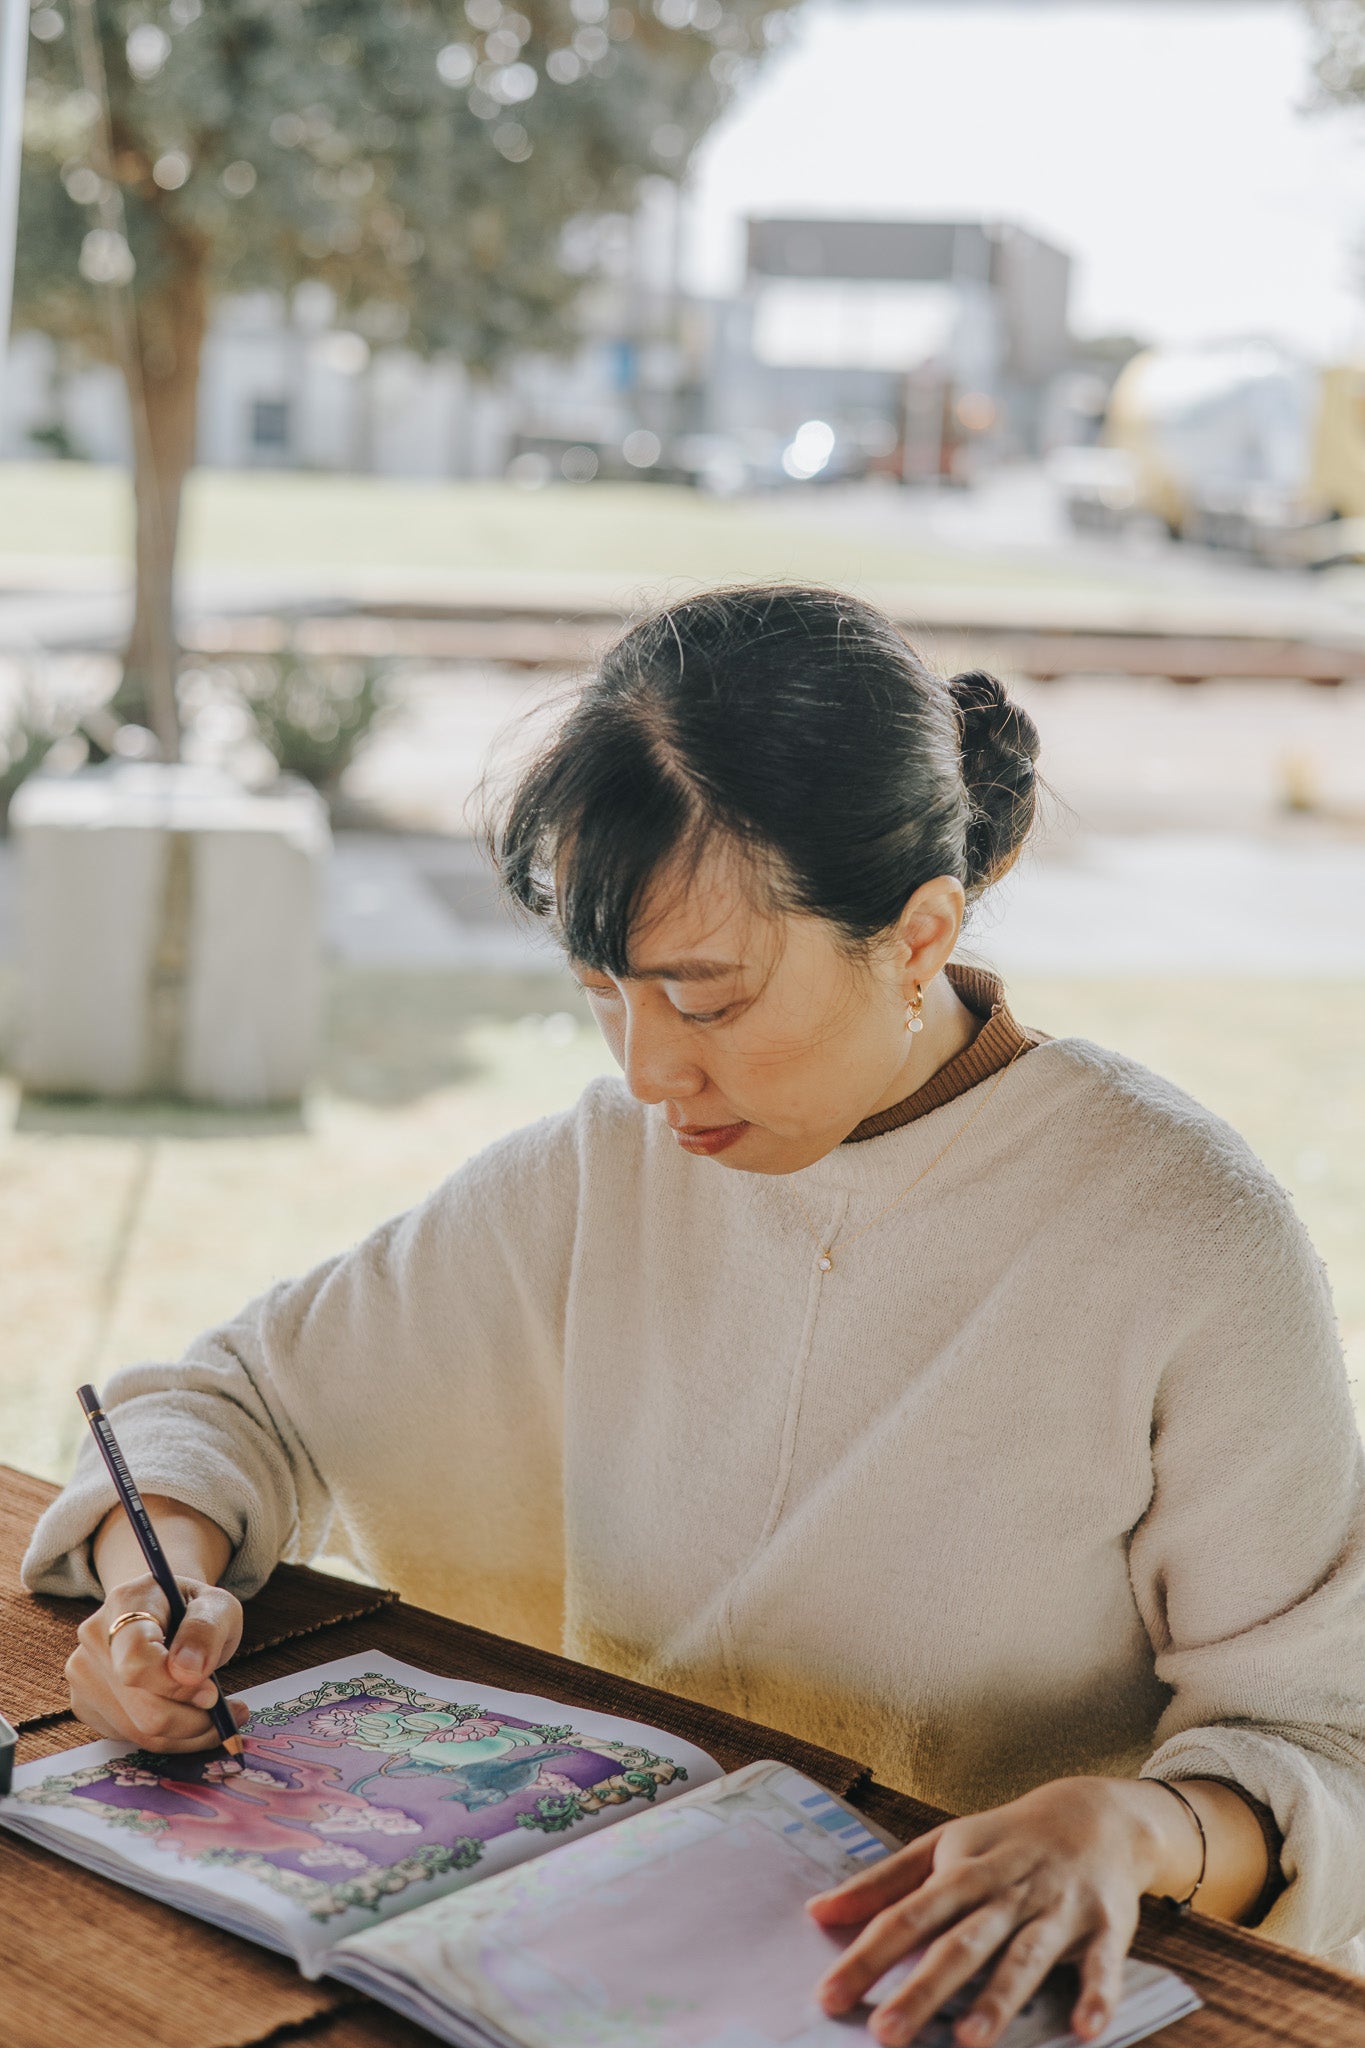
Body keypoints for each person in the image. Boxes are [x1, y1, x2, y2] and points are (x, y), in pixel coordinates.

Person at [26, 587, 1365, 2045]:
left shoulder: (1174, 1228)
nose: (649, 1070)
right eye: (603, 987)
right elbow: (229, 1403)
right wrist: (160, 1582)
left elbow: (1326, 1746)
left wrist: (1131, 1830)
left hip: (952, 1997)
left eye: (706, 997)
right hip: (577, 1964)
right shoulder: (601, 1173)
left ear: (919, 933)